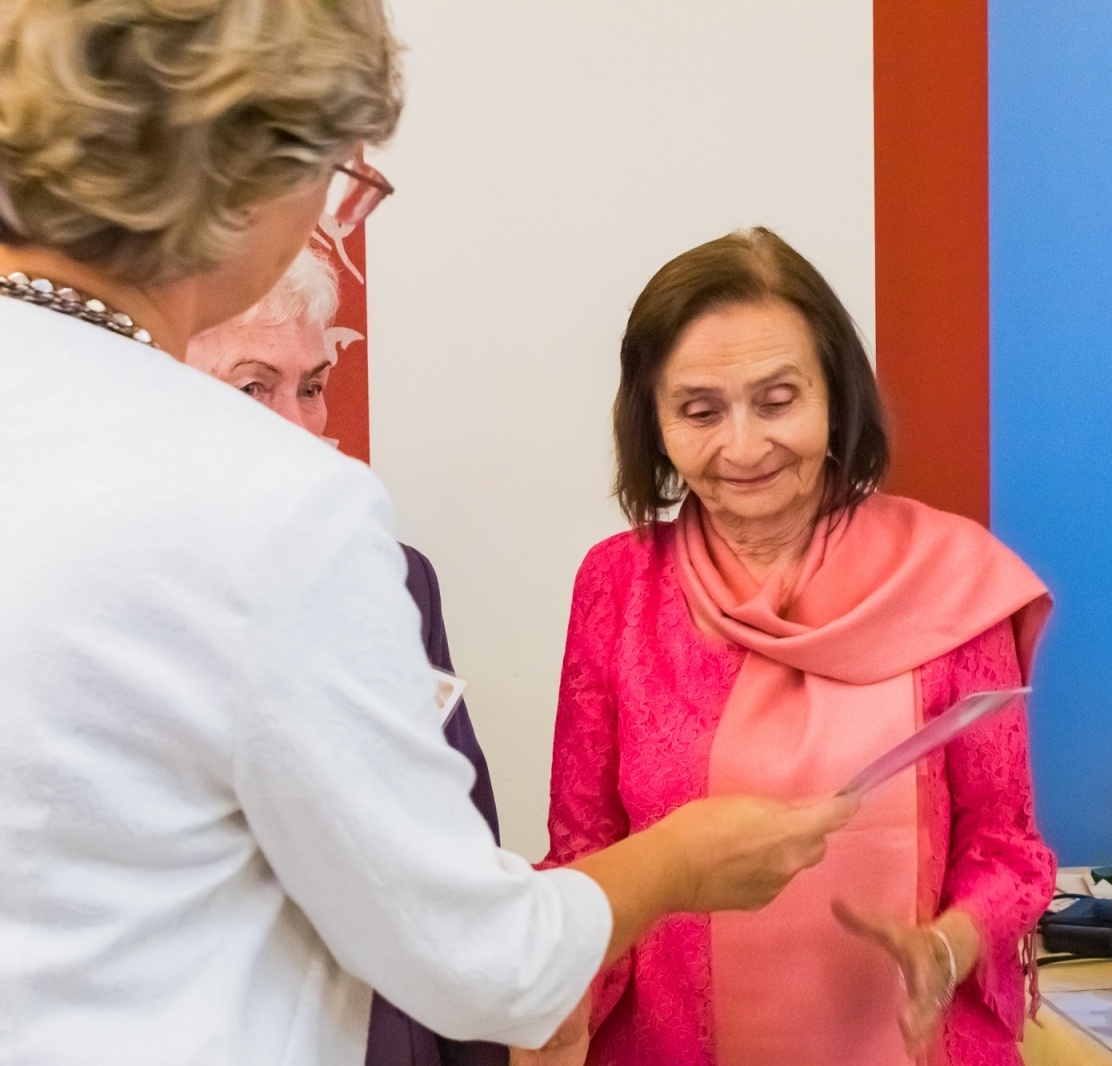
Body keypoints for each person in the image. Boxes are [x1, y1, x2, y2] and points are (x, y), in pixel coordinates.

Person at [0, 4, 854, 1065]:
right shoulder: (268, 499)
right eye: (337, 177)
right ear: (252, 171)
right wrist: (680, 861)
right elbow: (478, 960)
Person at [531, 227, 1057, 1066]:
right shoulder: (618, 587)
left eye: (778, 401)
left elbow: (1008, 848)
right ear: (654, 422)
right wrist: (548, 1014)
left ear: (835, 396)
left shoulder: (952, 583)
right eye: (699, 411)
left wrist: (948, 947)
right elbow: (584, 849)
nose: (743, 447)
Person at [189, 249, 508, 1066]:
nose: (299, 427)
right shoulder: (104, 591)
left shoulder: (398, 580)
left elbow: (460, 853)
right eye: (253, 387)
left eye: (313, 385)